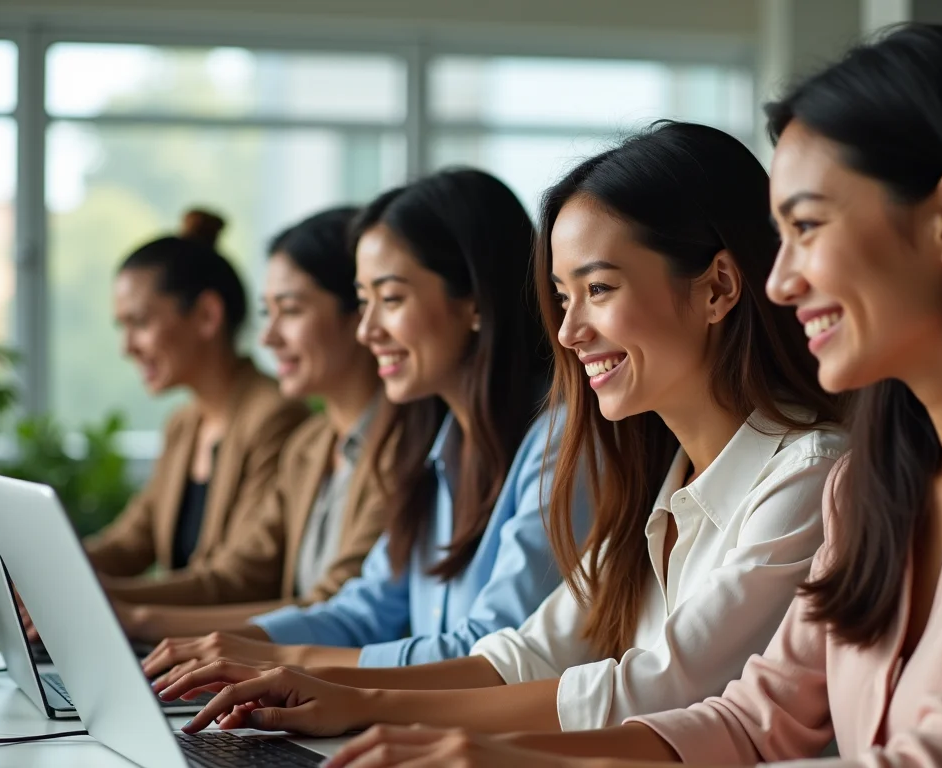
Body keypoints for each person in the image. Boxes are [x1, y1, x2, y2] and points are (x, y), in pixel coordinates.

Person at [314, 23, 942, 768]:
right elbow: (753, 722)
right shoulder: (873, 485)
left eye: (807, 229)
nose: (780, 281)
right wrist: (500, 759)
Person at [153, 122, 848, 738]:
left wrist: (373, 704)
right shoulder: (653, 484)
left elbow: (660, 687)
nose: (571, 332)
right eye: (564, 297)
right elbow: (528, 655)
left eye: (599, 289)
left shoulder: (810, 474)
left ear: (719, 288)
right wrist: (340, 693)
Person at [137, 169, 593, 676]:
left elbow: (489, 650)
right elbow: (363, 612)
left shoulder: (562, 439)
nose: (368, 330)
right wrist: (221, 645)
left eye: (391, 299)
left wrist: (278, 659)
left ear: (476, 302)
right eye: (364, 300)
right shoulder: (436, 447)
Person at [101, 207, 387, 641]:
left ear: (360, 314)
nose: (268, 337)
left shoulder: (286, 419)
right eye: (268, 312)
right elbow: (133, 540)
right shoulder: (309, 442)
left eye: (289, 311)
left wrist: (134, 615)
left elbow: (259, 584)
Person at [87, 209, 310, 582]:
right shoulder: (184, 424)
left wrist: (119, 604)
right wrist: (44, 572)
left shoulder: (276, 417)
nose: (127, 347)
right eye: (122, 327)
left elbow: (240, 578)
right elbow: (129, 543)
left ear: (207, 315)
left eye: (139, 323)